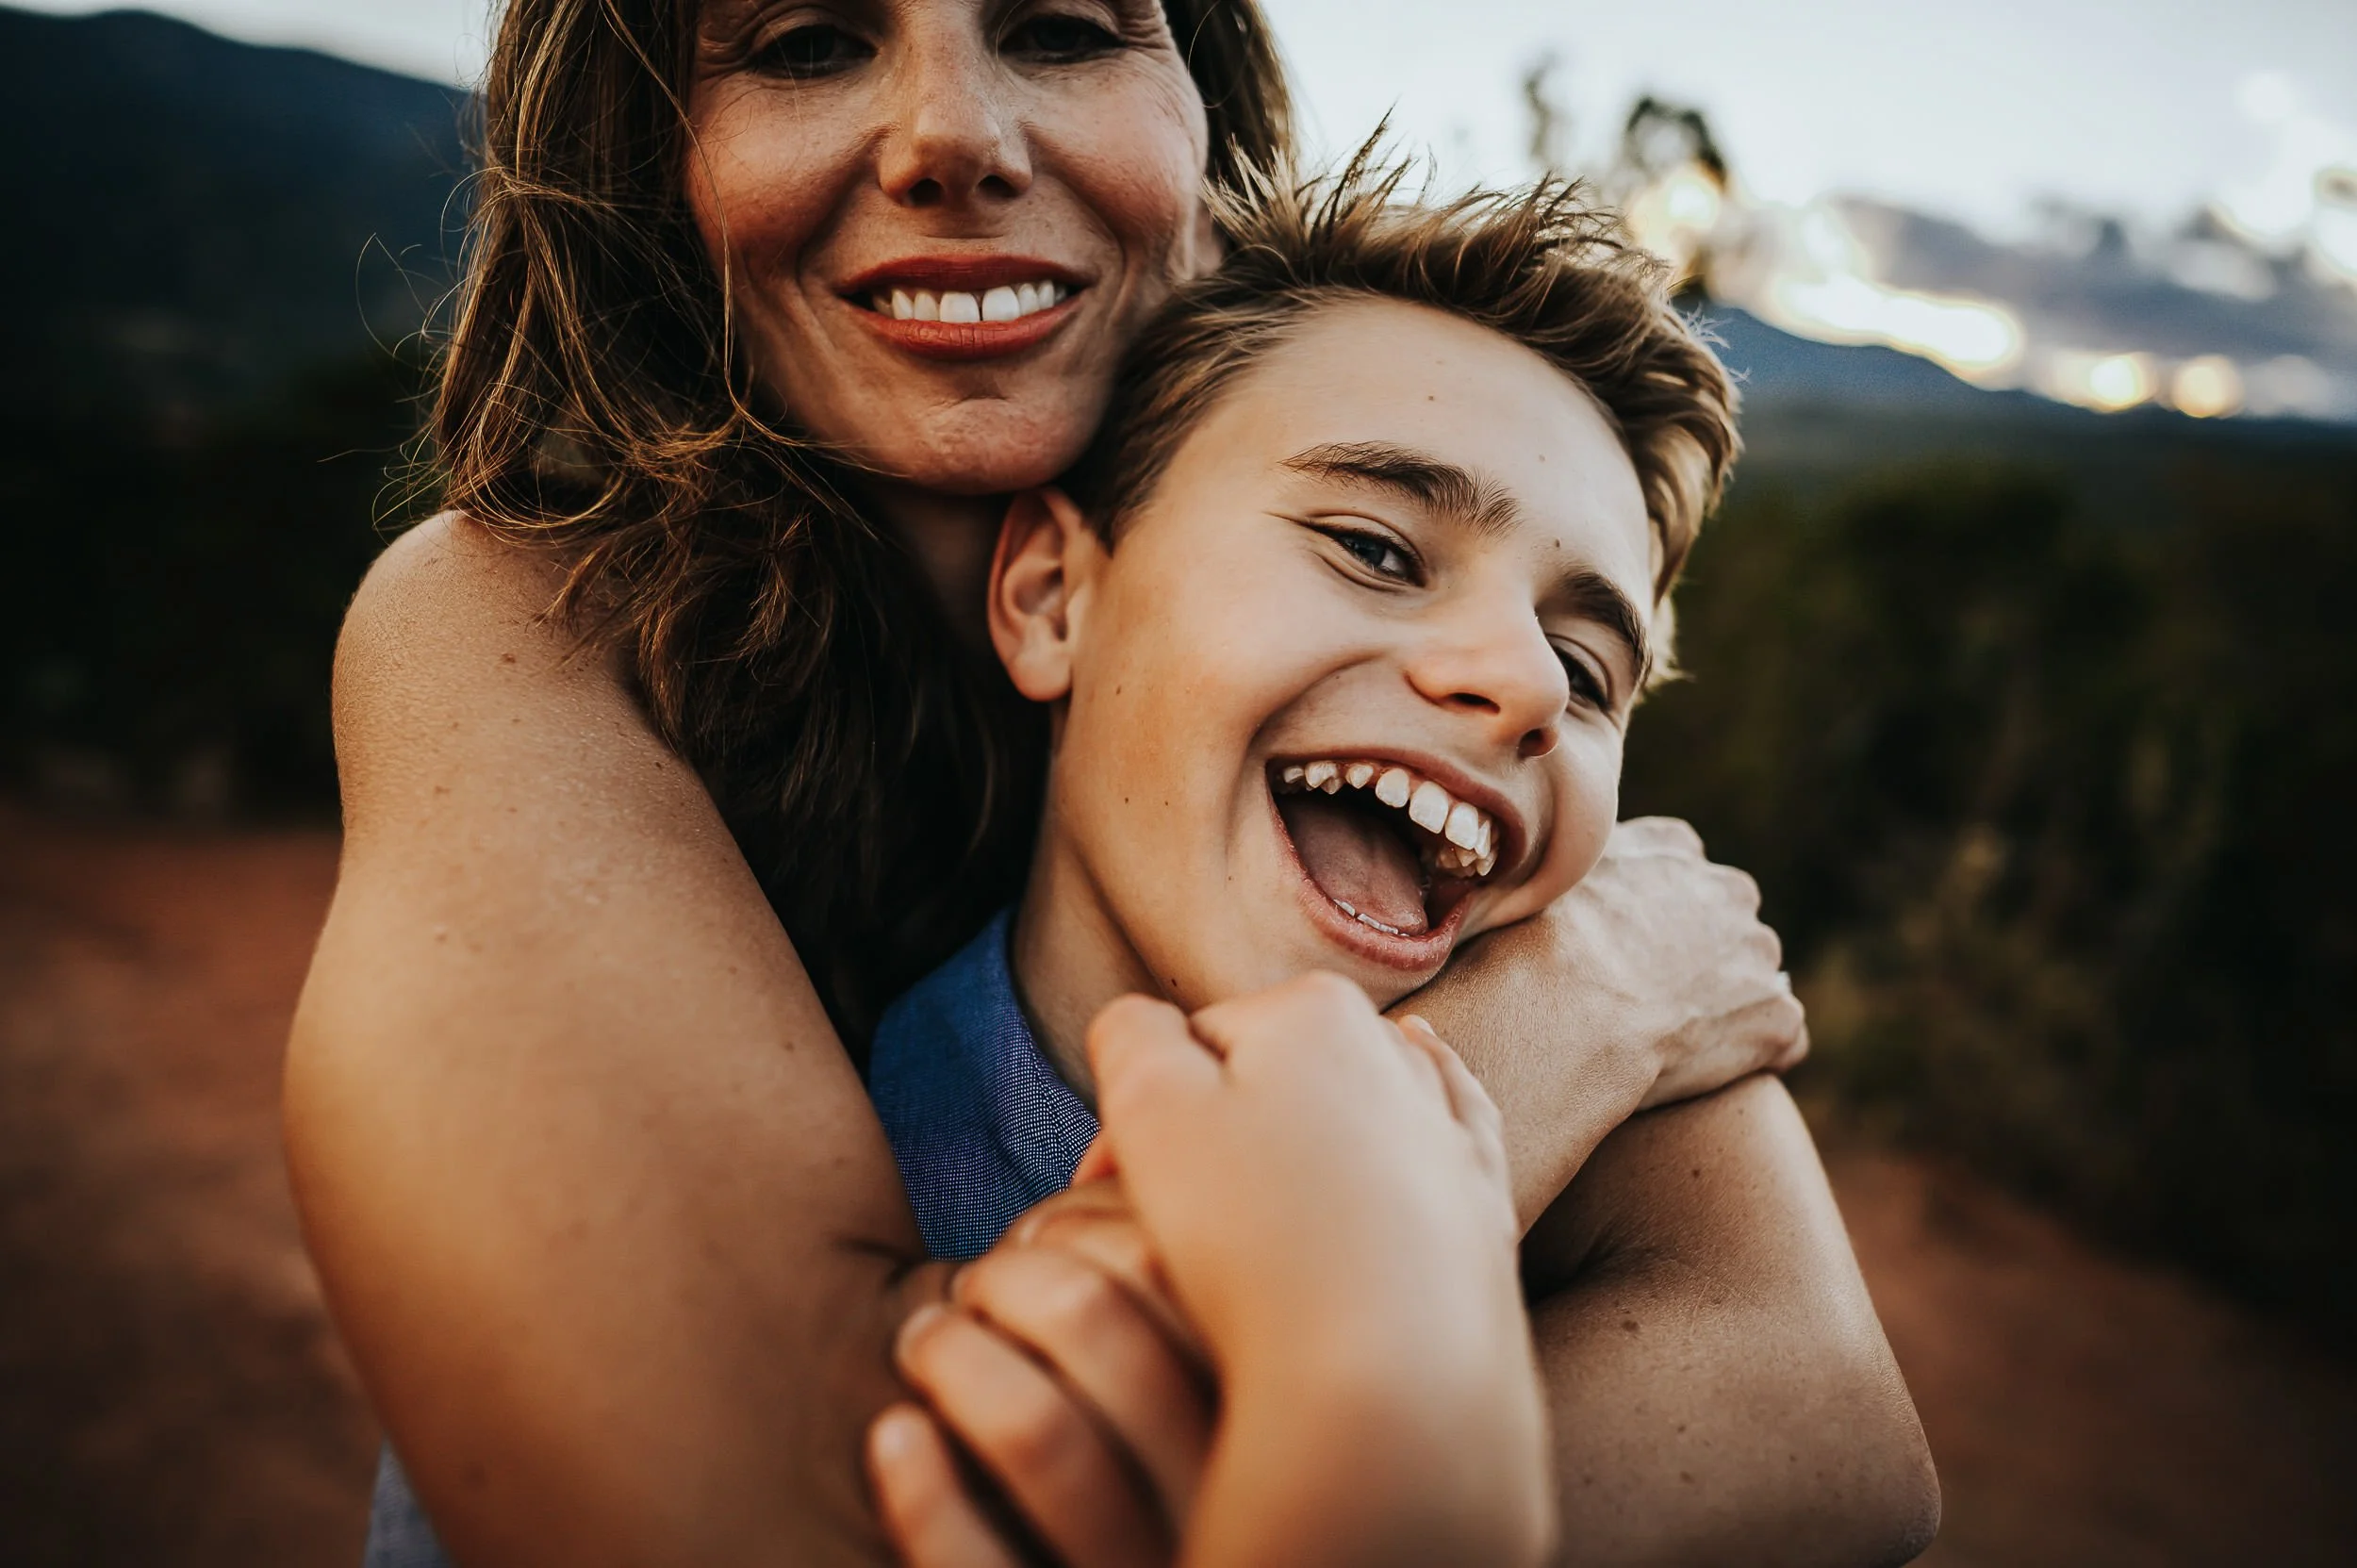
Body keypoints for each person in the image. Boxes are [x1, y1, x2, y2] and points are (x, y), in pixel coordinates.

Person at [285, 3, 1935, 1564]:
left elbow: (1826, 1419)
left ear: (1202, 118)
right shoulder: (528, 623)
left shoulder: (1407, 761)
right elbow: (816, 1519)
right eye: (804, 40)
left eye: (1066, 26)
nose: (952, 134)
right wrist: (1532, 1046)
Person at [857, 160, 1930, 1565]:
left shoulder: (1643, 1089)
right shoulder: (804, 1123)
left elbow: (1845, 1447)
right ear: (1058, 595)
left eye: (1591, 669)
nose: (1524, 682)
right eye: (1373, 546)